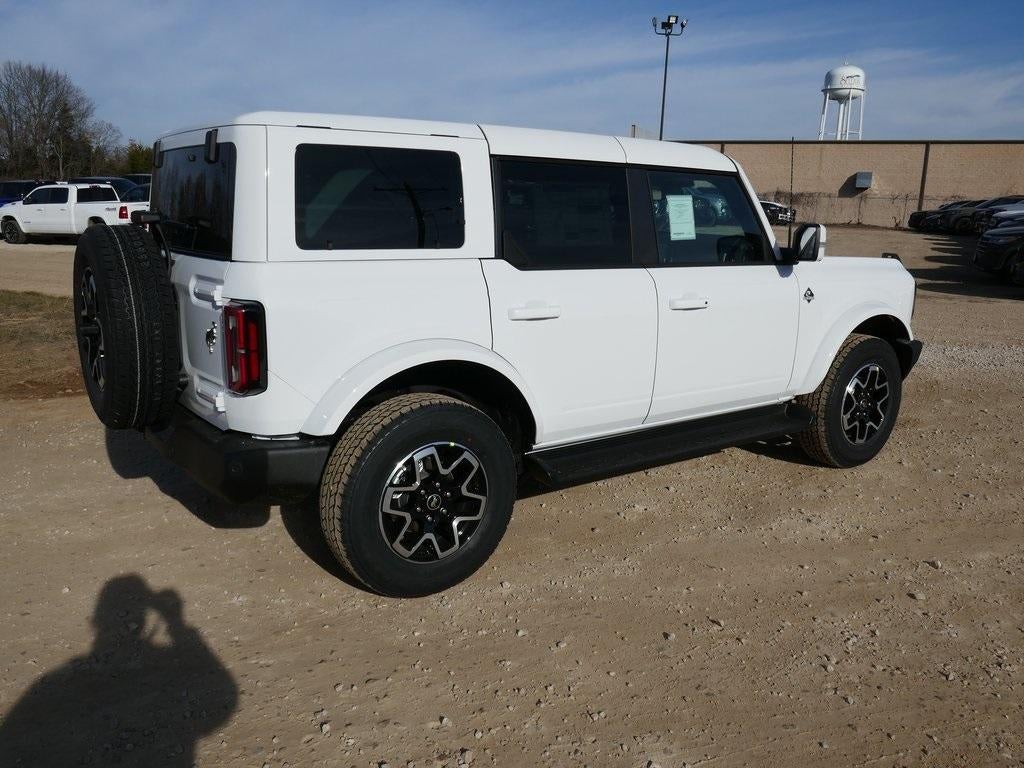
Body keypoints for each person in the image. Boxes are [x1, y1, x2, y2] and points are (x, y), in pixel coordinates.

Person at [0, 574, 238, 766]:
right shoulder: (58, 684)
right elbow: (222, 700)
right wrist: (176, 623)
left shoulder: (53, 686)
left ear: (95, 621)